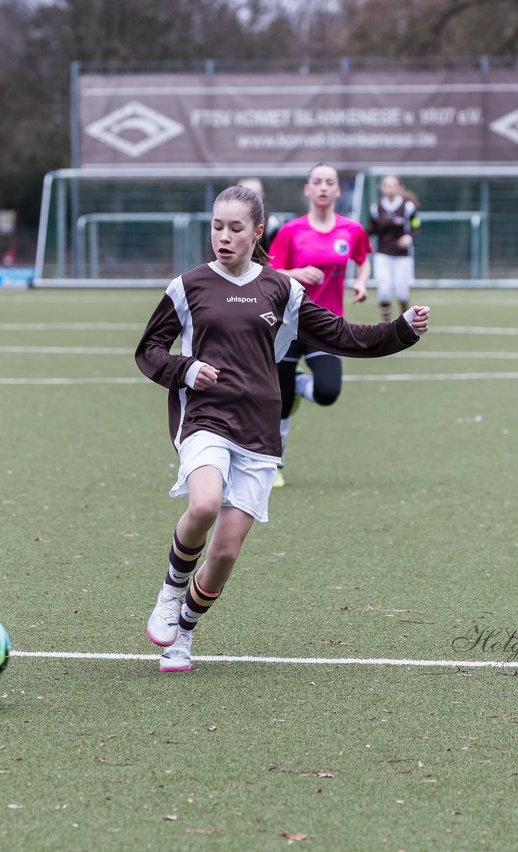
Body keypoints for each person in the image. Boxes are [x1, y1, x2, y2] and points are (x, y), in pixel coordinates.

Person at [135, 184, 429, 672]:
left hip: (259, 428)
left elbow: (342, 335)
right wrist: (186, 369)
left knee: (226, 553)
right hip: (205, 418)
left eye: (235, 228)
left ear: (257, 231)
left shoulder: (281, 289)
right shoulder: (186, 286)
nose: (223, 237)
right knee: (204, 502)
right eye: (217, 226)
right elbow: (148, 351)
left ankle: (183, 633)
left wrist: (401, 329)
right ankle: (169, 593)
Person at [267, 163, 372, 488]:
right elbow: (268, 272)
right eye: (317, 182)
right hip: (288, 323)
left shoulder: (351, 230)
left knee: (328, 392)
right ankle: (275, 465)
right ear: (307, 189)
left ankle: (301, 385)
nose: (324, 187)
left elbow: (363, 258)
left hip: (326, 325)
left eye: (330, 182)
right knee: (279, 402)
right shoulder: (291, 231)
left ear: (338, 191)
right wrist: (297, 273)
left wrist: (362, 283)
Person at [367, 174, 421, 322]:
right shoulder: (376, 208)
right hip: (383, 254)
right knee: (384, 292)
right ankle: (387, 325)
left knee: (402, 293)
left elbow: (416, 226)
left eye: (393, 185)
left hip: (403, 256)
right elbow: (372, 229)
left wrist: (408, 238)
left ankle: (406, 324)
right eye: (386, 185)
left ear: (399, 188)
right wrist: (357, 234)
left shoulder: (408, 208)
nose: (390, 188)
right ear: (382, 188)